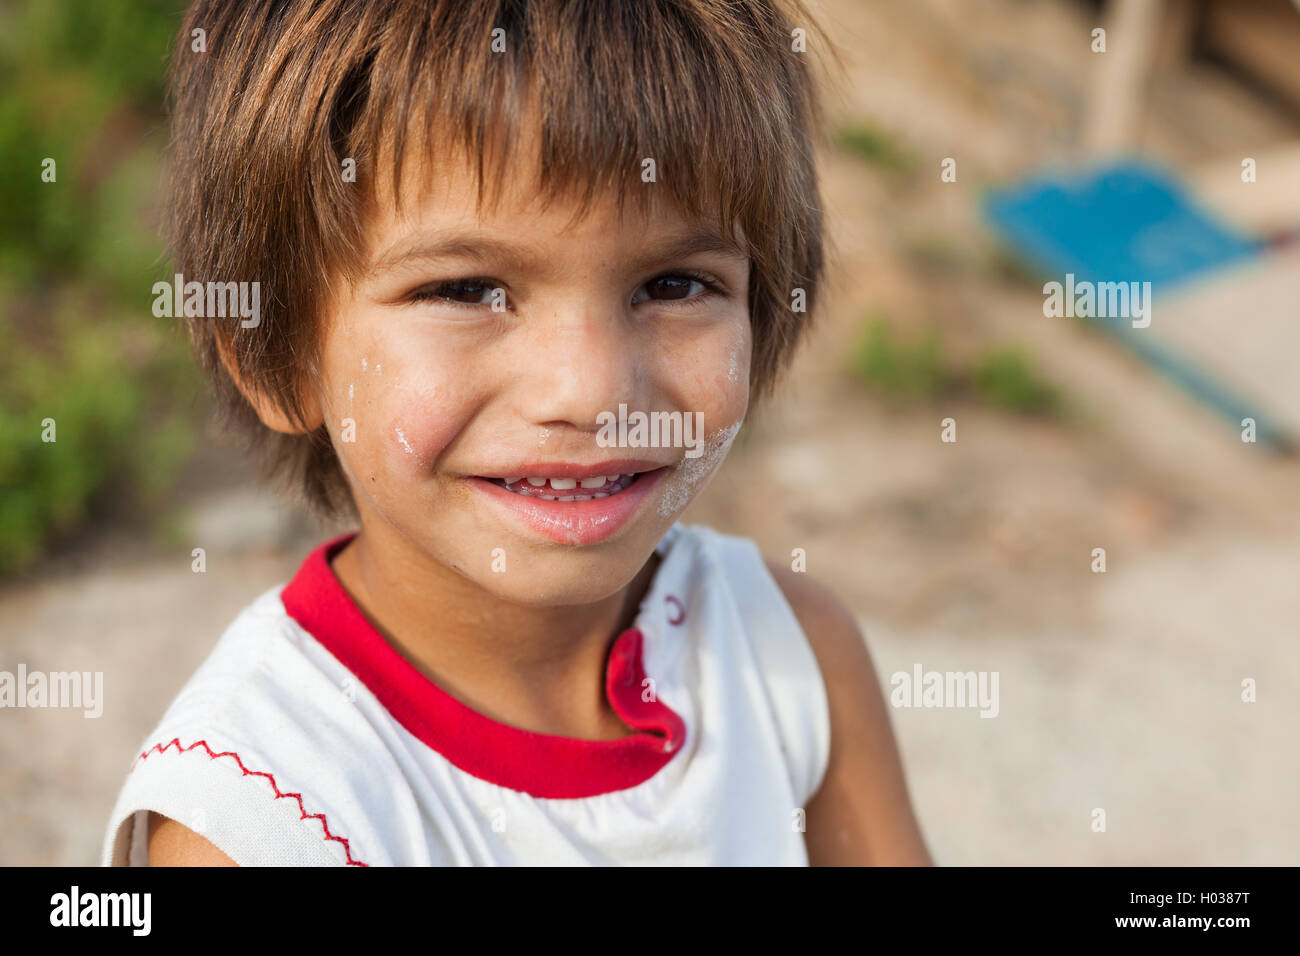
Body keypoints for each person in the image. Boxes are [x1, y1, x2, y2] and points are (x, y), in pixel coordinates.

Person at [102, 0, 931, 866]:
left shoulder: (791, 656)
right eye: (465, 291)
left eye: (675, 284)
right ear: (278, 360)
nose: (593, 390)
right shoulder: (259, 817)